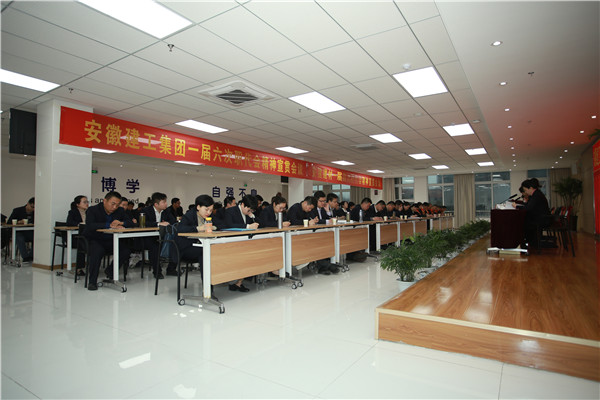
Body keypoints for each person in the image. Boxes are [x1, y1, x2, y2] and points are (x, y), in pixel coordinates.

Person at [83, 191, 133, 291]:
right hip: (95, 239)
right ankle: (92, 281)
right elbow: (90, 225)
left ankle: (110, 271)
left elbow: (131, 222)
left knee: (126, 250)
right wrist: (108, 225)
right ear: (105, 201)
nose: (114, 207)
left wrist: (121, 223)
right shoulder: (93, 210)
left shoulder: (120, 211)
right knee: (97, 251)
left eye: (117, 205)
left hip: (111, 240)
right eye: (112, 204)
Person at [173, 194, 218, 300]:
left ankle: (218, 280)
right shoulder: (189, 215)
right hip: (185, 249)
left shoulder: (209, 216)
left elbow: (221, 224)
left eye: (210, 210)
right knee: (205, 252)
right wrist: (198, 228)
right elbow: (181, 229)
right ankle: (208, 290)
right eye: (206, 209)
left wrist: (214, 227)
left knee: (215, 250)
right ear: (198, 207)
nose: (208, 212)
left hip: (199, 246)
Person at [140, 192, 177, 279]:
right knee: (155, 247)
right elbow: (144, 223)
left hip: (163, 236)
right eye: (163, 202)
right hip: (149, 237)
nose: (166, 204)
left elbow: (173, 221)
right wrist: (158, 223)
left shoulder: (166, 211)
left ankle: (171, 269)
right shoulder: (146, 210)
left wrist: (167, 222)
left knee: (176, 244)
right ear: (156, 204)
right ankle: (157, 272)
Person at [514, 179, 551, 248]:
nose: (525, 192)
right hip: (540, 218)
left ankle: (528, 243)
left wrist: (517, 206)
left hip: (542, 219)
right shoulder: (535, 194)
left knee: (523, 223)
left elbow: (529, 208)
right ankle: (528, 242)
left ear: (531, 188)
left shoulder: (536, 195)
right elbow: (528, 206)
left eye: (525, 190)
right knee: (523, 221)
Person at [66, 195, 89, 275]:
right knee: (81, 244)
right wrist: (79, 224)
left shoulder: (90, 212)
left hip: (87, 235)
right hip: (76, 237)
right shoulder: (73, 212)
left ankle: (92, 267)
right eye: (84, 202)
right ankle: (79, 268)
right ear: (77, 204)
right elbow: (69, 222)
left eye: (87, 202)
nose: (86, 203)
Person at [9, 197, 35, 262]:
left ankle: (31, 256)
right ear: (28, 204)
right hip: (19, 232)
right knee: (19, 238)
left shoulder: (36, 213)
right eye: (32, 207)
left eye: (35, 208)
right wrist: (18, 222)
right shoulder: (17, 210)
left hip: (30, 231)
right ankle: (25, 257)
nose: (33, 209)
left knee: (37, 237)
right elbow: (9, 222)